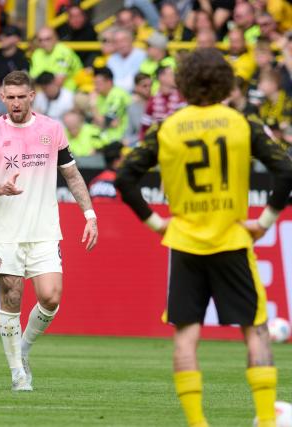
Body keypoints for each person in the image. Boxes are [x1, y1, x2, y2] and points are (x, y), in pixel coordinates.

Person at [115, 48, 292, 427]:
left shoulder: (168, 127)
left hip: (184, 242)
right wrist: (265, 220)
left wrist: (157, 224)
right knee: (256, 331)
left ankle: (198, 424)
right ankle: (265, 417)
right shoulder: (242, 123)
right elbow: (286, 169)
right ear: (226, 83)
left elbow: (125, 177)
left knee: (186, 335)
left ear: (183, 83)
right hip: (231, 239)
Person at [0, 70, 98, 391]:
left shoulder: (51, 129)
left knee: (51, 297)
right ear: (3, 98)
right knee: (12, 298)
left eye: (21, 97)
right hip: (5, 231)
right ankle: (17, 373)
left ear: (32, 96)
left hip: (44, 230)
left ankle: (24, 348)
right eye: (10, 97)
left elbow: (71, 175)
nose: (16, 103)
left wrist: (90, 214)